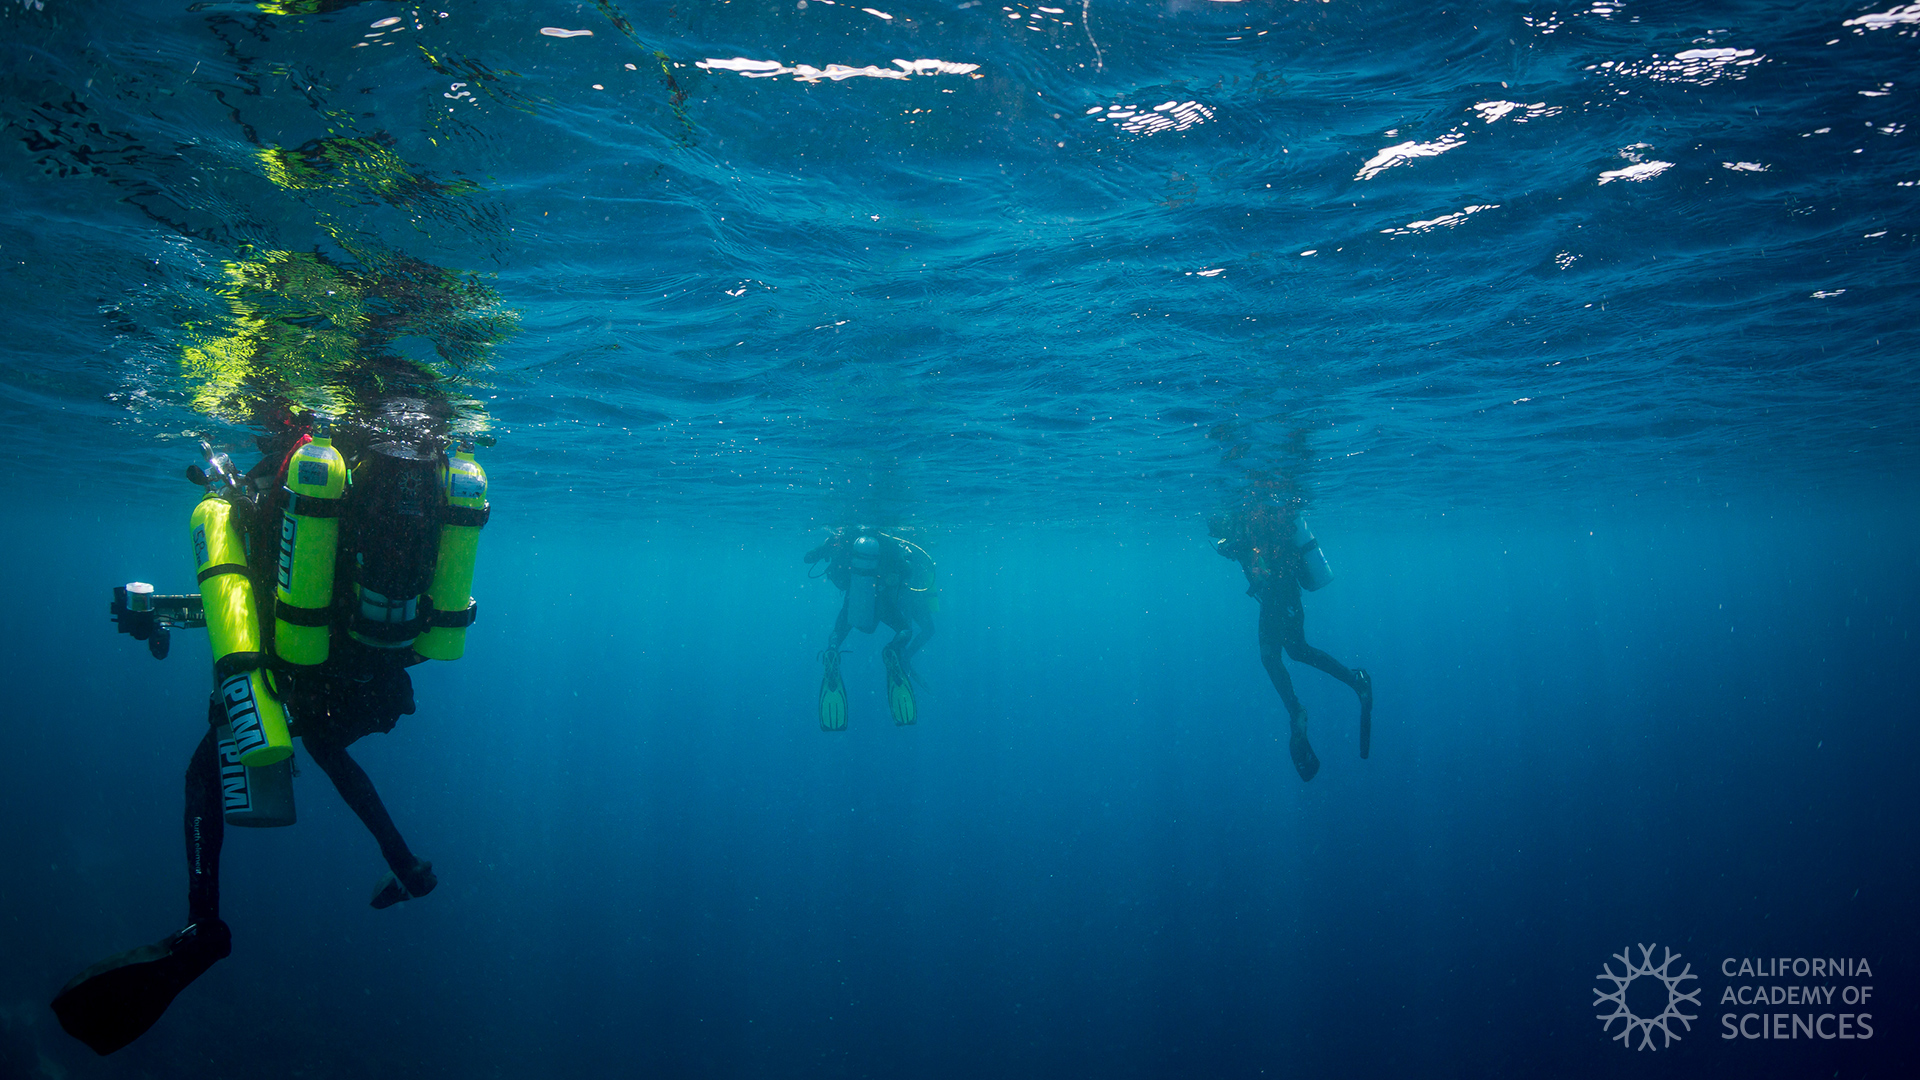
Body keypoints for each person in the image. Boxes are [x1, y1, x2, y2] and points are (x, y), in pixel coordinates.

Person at [52, 404, 488, 1055]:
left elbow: (246, 588)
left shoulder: (289, 476)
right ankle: (407, 865)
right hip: (380, 669)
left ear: (283, 427)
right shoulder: (416, 483)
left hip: (305, 667)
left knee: (206, 770)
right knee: (327, 744)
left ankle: (204, 925)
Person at [1209, 501, 1372, 782]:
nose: (1215, 532)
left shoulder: (1255, 519)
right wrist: (1234, 548)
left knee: (1288, 653)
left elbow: (1265, 557)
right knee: (1286, 654)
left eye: (1216, 526)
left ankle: (1333, 692)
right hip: (1274, 599)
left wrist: (1240, 548)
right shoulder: (1245, 527)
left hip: (1282, 596)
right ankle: (1319, 699)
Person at [804, 526, 936, 729]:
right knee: (905, 630)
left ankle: (832, 651)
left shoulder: (845, 538)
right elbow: (907, 571)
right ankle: (893, 649)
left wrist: (826, 547)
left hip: (854, 599)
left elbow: (808, 558)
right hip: (882, 602)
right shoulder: (888, 540)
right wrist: (905, 558)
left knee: (837, 633)